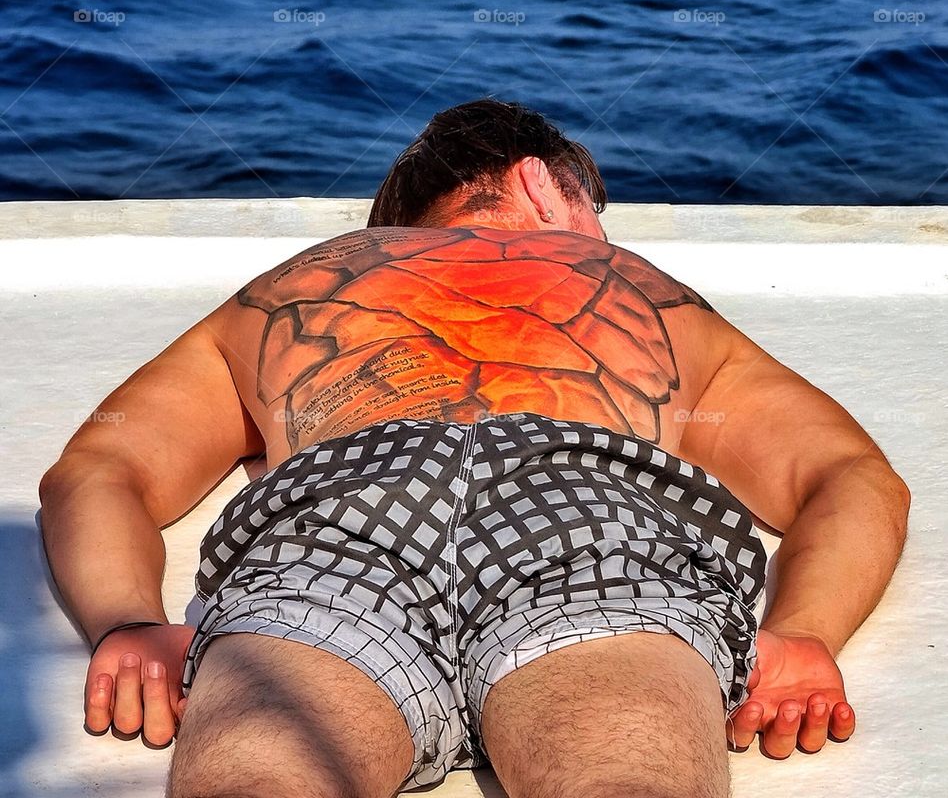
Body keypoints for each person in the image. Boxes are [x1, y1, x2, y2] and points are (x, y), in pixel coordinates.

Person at [38, 99, 910, 798]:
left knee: (261, 783)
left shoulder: (300, 287)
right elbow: (850, 477)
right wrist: (801, 632)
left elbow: (102, 469)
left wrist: (129, 623)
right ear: (548, 186)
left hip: (344, 521)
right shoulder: (646, 295)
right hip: (585, 517)